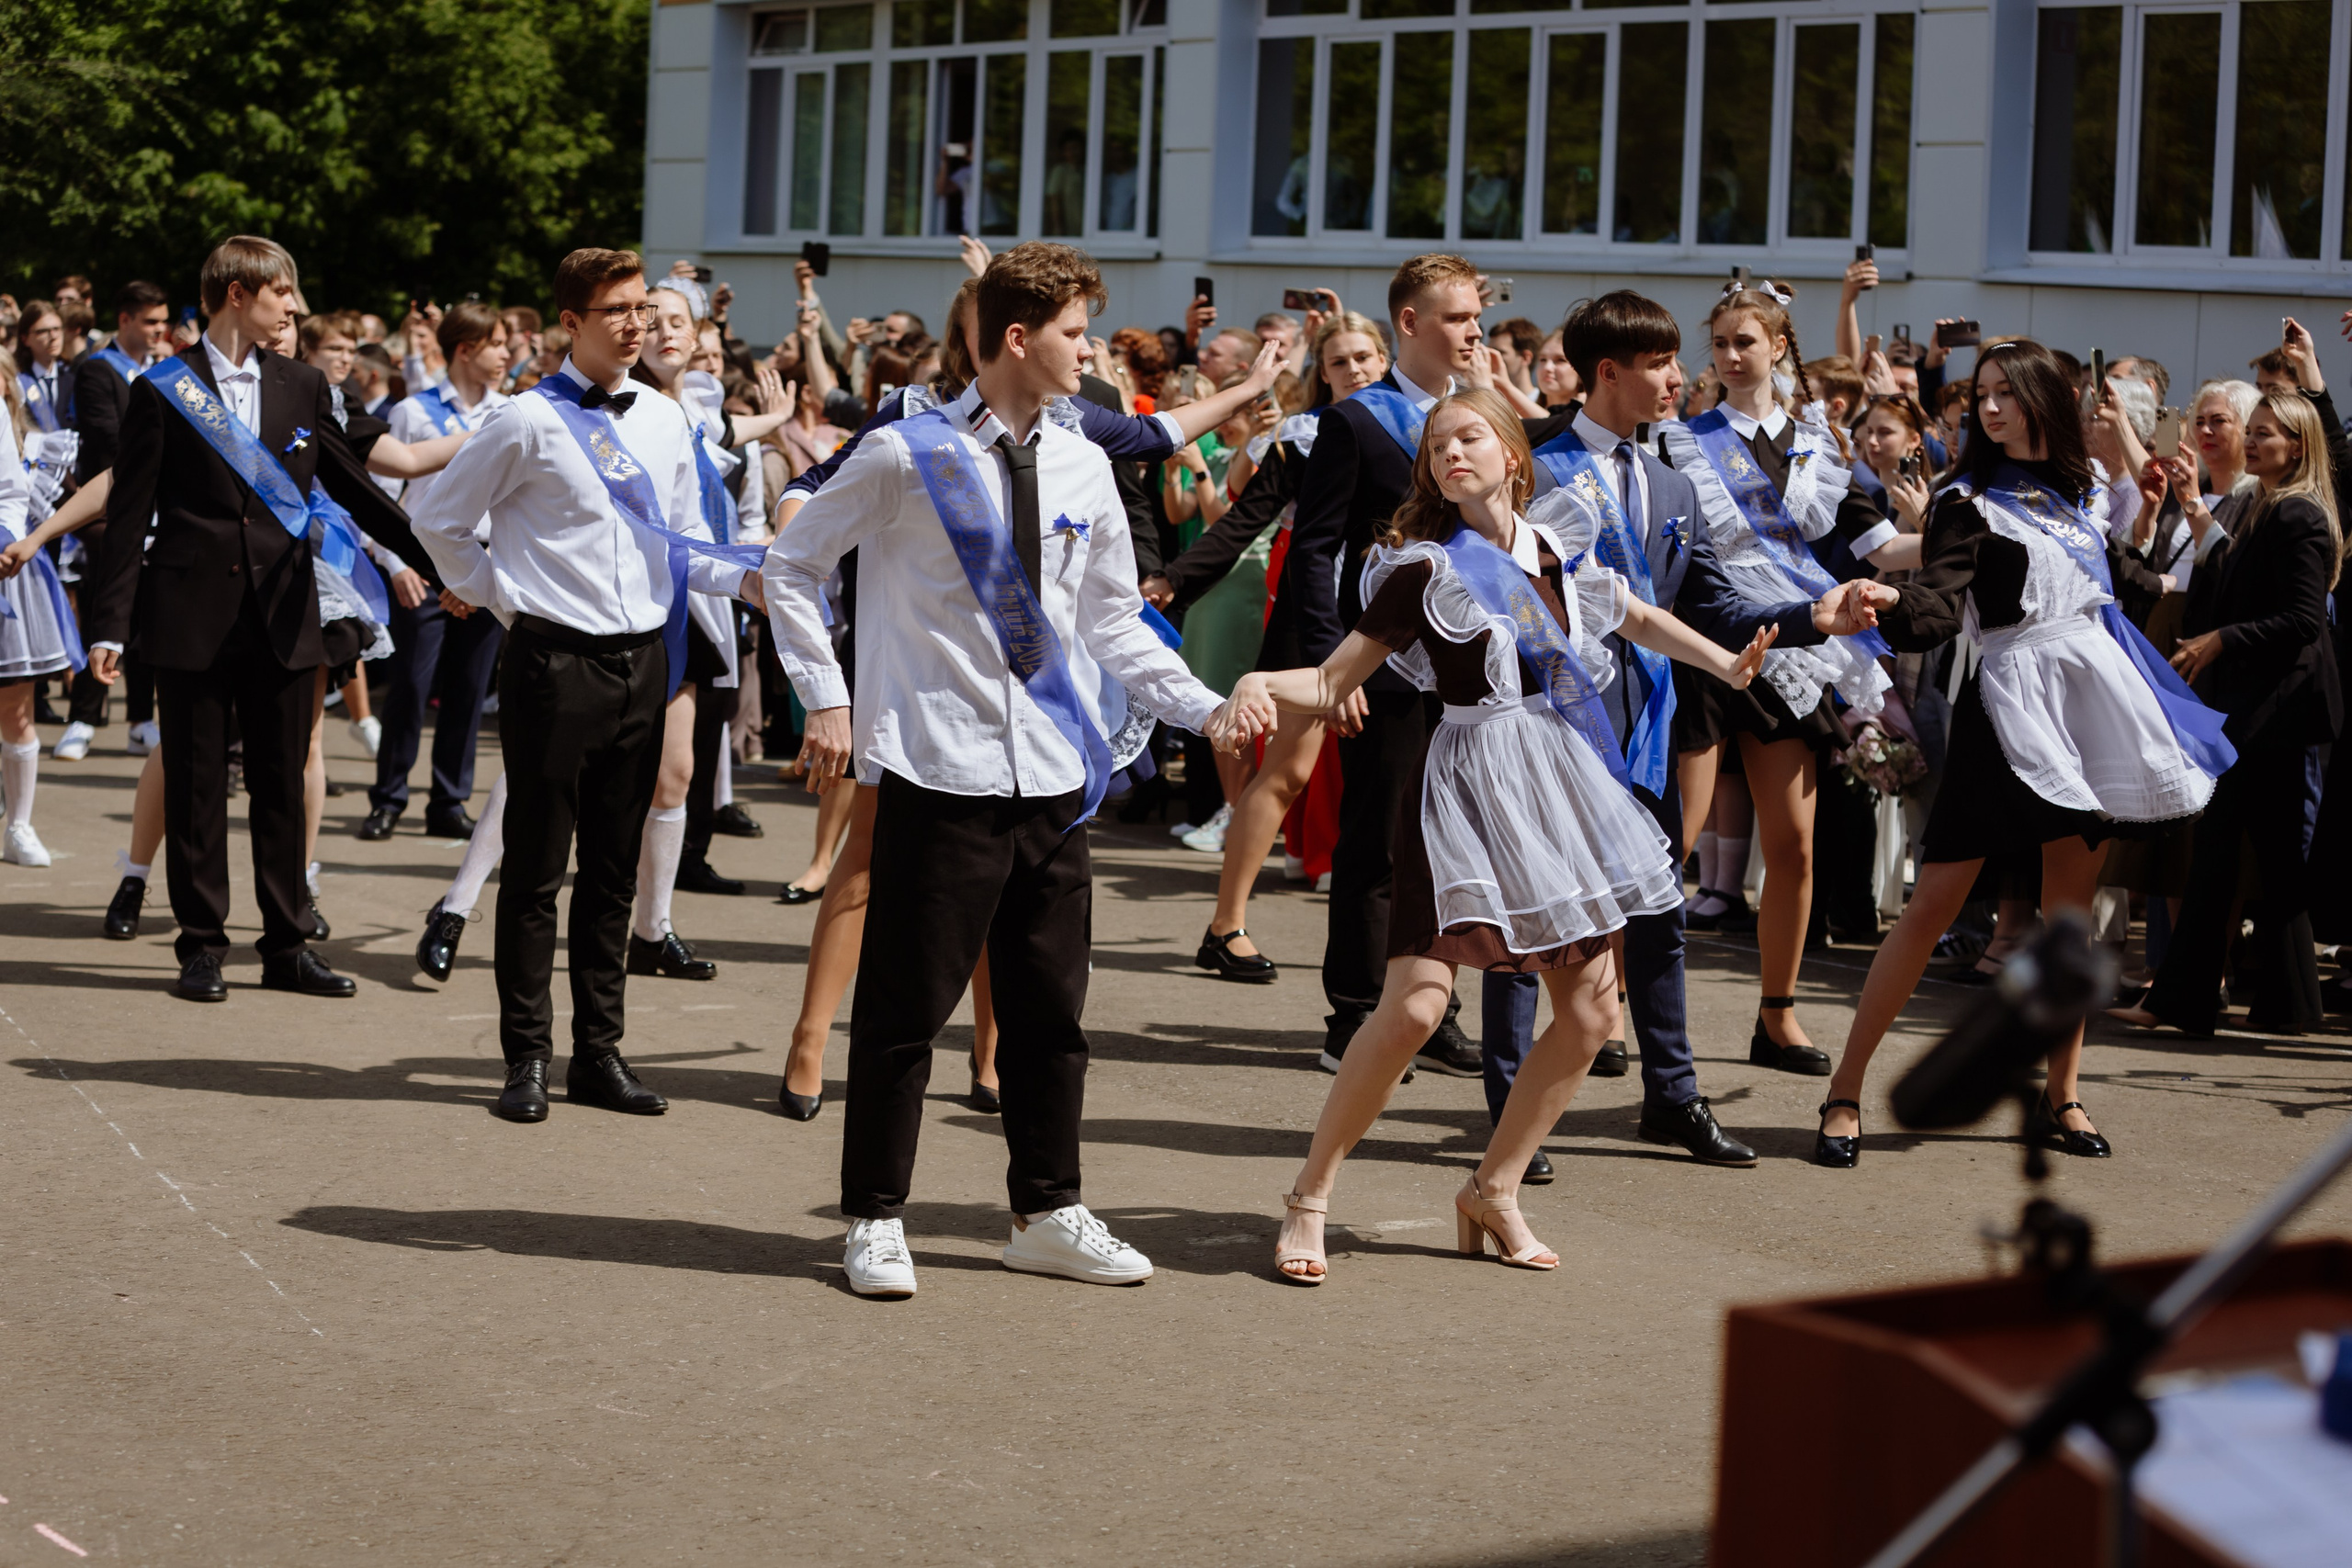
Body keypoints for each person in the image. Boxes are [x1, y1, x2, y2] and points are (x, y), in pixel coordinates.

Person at [762, 242, 1243, 1298]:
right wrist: (827, 697)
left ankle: (1047, 1209)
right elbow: (791, 566)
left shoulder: (1083, 462)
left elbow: (1111, 622)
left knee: (1049, 1015)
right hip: (941, 768)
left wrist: (1204, 711)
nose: (1091, 353)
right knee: (905, 1013)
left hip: (1053, 781)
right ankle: (875, 1217)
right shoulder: (905, 454)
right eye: (1075, 334)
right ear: (1018, 339)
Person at [1250, 389, 1785, 1283]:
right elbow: (1335, 678)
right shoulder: (1424, 570)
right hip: (1462, 792)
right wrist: (1256, 685)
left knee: (1592, 1015)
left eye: (1469, 437)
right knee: (1415, 1009)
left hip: (1558, 788)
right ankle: (1310, 1194)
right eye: (1437, 446)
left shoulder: (1558, 547)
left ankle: (1492, 1188)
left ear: (1511, 454)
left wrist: (1726, 664)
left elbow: (1634, 615)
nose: (1451, 454)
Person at [1816, 340, 2233, 1167]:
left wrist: (2184, 532)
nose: (1991, 406)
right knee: (1933, 904)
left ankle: (2061, 1094)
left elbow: (2128, 583)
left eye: (2008, 391)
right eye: (1983, 393)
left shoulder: (2079, 493)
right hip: (2006, 705)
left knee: (2067, 918)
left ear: (2046, 397)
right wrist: (1890, 601)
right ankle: (1846, 1088)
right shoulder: (1965, 499)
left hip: (2092, 708)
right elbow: (1940, 603)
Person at [1485, 292, 1871, 1169]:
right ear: (1608, 372)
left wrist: (1811, 616)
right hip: (1550, 724)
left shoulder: (1670, 481)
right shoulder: (1532, 466)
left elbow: (1709, 601)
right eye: (1659, 363)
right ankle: (1510, 1112)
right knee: (1530, 922)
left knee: (1660, 913)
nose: (1678, 376)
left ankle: (1673, 1095)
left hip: (1650, 727)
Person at [408, 246, 766, 1123]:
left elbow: (684, 543)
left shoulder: (665, 420)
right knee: (535, 871)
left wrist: (750, 578)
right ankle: (527, 1055)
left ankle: (598, 1051)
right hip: (551, 662)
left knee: (612, 871)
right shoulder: (525, 420)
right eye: (618, 310)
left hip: (645, 661)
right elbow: (440, 521)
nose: (638, 324)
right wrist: (504, 600)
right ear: (571, 322)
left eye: (643, 307)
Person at [82, 236, 442, 1003]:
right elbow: (130, 513)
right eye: (284, 293)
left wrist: (444, 564)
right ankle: (201, 945)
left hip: (284, 610)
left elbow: (356, 489)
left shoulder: (303, 384)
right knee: (198, 786)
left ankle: (287, 944)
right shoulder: (163, 388)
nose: (294, 307)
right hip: (189, 613)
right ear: (238, 293)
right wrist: (108, 624)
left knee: (280, 783)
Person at [1658, 282, 1894, 1071]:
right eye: (1721, 343)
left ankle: (1778, 1014)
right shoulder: (1681, 441)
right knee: (1674, 840)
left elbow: (1874, 543)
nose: (1730, 356)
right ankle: (1614, 1002)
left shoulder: (1817, 442)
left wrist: (1948, 532)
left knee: (1792, 845)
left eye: (1746, 342)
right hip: (1704, 643)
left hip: (1789, 647)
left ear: (1779, 347)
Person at [1285, 254, 1498, 1078]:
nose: (1473, 330)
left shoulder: (1477, 415)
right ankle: (1352, 1011)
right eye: (1457, 317)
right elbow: (1315, 551)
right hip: (1384, 667)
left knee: (1452, 845)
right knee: (1377, 842)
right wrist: (1331, 672)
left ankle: (1431, 1008)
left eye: (1476, 315)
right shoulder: (1357, 419)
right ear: (1409, 323)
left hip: (1468, 666)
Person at [1154, 311, 1386, 978]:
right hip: (1310, 617)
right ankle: (1225, 925)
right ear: (1322, 373)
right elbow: (1244, 522)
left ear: (1386, 358)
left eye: (1366, 357)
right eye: (1340, 361)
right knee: (1286, 773)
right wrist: (1173, 578)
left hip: (1397, 617)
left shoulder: (1431, 427)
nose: (1356, 370)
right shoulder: (1300, 438)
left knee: (1396, 782)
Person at [2109, 390, 2341, 1036]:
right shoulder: (2270, 505)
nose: (2254, 441)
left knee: (2222, 852)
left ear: (2297, 445)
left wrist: (2221, 640)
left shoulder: (2298, 513)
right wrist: (2190, 503)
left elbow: (2301, 620)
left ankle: (2183, 1001)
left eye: (2266, 433)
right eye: (2255, 430)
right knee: (2269, 858)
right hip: (2264, 708)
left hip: (2275, 710)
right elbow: (2235, 570)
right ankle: (2290, 1005)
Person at [361, 301, 512, 842]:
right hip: (422, 569)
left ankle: (448, 801)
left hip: (487, 566)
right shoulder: (413, 411)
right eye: (496, 343)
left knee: (468, 690)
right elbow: (380, 496)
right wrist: (397, 563)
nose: (506, 354)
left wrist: (489, 569)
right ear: (465, 350)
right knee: (409, 687)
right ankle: (389, 798)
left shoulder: (510, 412)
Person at [57, 280, 174, 761]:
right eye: (150, 321)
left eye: (163, 321)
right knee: (106, 608)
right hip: (107, 510)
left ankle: (140, 721)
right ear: (124, 320)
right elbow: (107, 439)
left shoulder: (167, 371)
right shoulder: (97, 369)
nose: (159, 330)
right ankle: (83, 718)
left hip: (158, 512)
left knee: (148, 614)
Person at [0, 361, 82, 865]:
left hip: (7, 575)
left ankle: (20, 826)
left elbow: (10, 492)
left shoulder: (19, 431)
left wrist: (5, 540)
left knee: (15, 705)